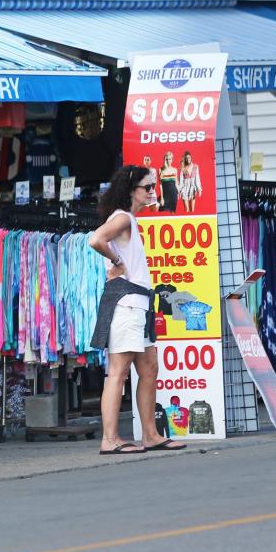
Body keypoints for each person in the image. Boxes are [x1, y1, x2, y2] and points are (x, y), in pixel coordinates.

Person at [88, 165, 187, 454]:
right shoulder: (122, 218)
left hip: (138, 304)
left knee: (149, 368)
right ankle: (109, 439)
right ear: (132, 190)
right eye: (147, 188)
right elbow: (95, 239)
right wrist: (117, 262)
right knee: (118, 372)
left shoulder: (128, 219)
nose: (153, 192)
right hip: (127, 304)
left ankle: (150, 434)